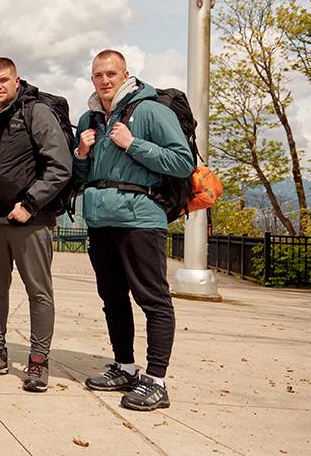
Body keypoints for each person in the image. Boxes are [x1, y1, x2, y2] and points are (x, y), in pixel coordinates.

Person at [74, 50, 193, 411]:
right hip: (100, 221)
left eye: (111, 73)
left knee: (153, 299)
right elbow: (82, 178)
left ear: (126, 74)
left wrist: (133, 144)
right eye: (98, 75)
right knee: (112, 299)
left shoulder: (151, 111)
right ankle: (125, 366)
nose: (105, 80)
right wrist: (80, 153)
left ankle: (156, 380)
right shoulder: (89, 118)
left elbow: (182, 161)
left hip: (141, 220)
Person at [0, 57, 71, 392]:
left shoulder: (35, 112)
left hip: (31, 220)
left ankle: (38, 361)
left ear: (16, 80)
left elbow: (60, 165)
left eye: (3, 80)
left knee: (38, 292)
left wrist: (29, 204)